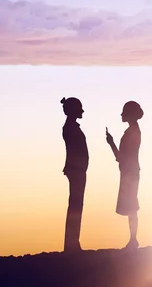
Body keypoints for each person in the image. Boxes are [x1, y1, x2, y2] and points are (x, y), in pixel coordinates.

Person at [105, 101, 144, 250]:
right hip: (130, 171)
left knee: (131, 206)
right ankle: (132, 239)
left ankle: (133, 240)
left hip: (130, 172)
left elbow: (121, 157)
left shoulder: (132, 132)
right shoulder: (133, 131)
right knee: (131, 206)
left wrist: (111, 143)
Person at [60, 96, 89, 252]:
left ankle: (72, 242)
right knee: (75, 206)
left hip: (77, 170)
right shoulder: (70, 128)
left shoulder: (71, 127)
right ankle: (71, 243)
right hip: (76, 170)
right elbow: (75, 150)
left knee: (76, 205)